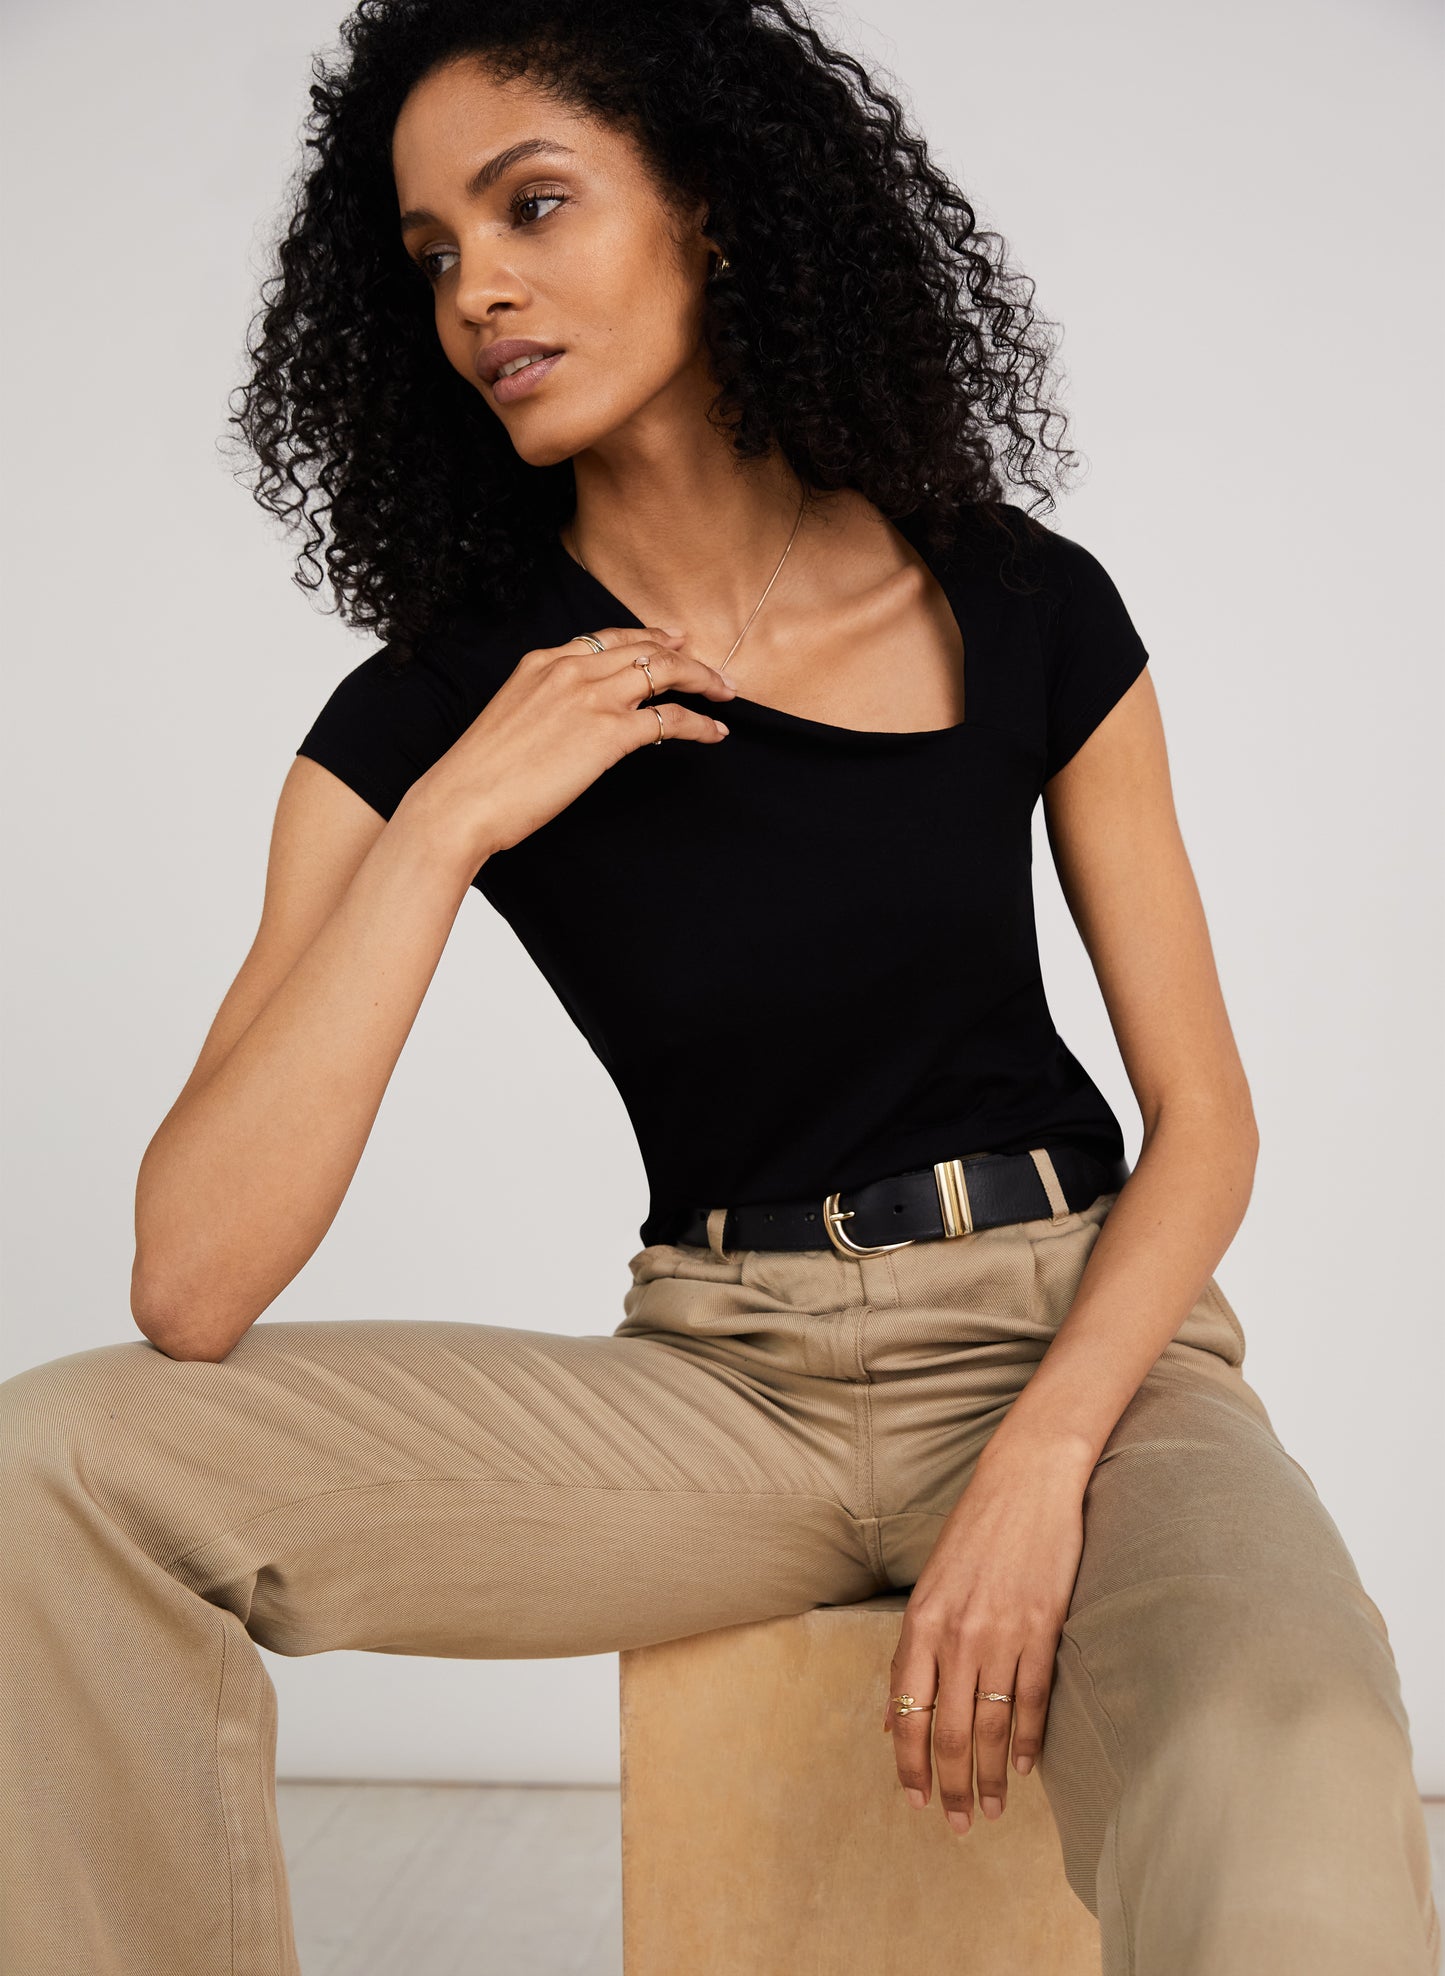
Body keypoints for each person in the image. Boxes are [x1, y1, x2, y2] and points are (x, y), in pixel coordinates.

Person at [1, 2, 1437, 1971]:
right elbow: (190, 1280)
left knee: (1294, 1751)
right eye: (430, 254)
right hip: (724, 1388)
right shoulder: (431, 711)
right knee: (59, 1463)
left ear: (717, 210)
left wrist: (1041, 1466)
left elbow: (1207, 1125)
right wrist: (449, 821)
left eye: (531, 205)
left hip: (1078, 1348)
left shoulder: (1021, 599)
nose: (477, 288)